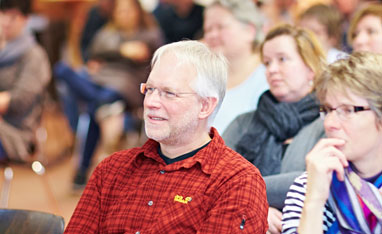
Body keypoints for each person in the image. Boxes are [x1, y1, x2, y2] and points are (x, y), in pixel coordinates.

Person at [64, 40, 269, 233]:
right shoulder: (111, 171)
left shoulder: (236, 182)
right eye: (150, 89)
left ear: (205, 105)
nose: (151, 102)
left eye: (169, 93)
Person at [222, 24, 326, 234]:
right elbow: (216, 178)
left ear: (310, 67)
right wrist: (257, 209)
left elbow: (314, 182)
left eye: (282, 59)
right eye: (267, 62)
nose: (272, 69)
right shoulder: (243, 123)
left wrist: (243, 189)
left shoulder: (329, 121)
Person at [54, 0, 163, 189]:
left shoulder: (150, 34)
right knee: (62, 70)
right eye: (121, 11)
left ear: (138, 12)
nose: (125, 15)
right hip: (100, 81)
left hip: (126, 86)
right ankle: (102, 107)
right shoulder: (107, 33)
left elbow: (159, 58)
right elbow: (94, 52)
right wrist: (122, 51)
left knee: (92, 110)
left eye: (129, 10)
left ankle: (81, 171)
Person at [282, 52, 382, 234]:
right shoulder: (310, 184)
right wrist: (314, 202)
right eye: (327, 110)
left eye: (348, 110)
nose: (329, 123)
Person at [203, 0, 269, 133]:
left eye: (220, 27)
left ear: (249, 31)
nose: (212, 35)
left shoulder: (268, 77)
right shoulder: (204, 78)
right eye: (208, 29)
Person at [0, 0, 51, 162]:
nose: (6, 21)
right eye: (2, 15)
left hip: (16, 134)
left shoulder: (34, 56)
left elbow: (19, 100)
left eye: (13, 16)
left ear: (26, 19)